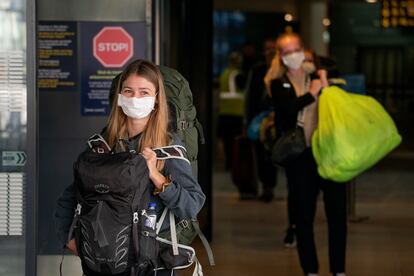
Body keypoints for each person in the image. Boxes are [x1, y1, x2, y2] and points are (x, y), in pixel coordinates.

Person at [54, 59, 206, 276]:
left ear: (156, 100)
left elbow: (192, 205)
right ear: (119, 97)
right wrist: (68, 239)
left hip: (152, 265)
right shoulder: (102, 146)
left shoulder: (168, 147)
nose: (135, 98)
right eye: (129, 91)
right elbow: (69, 198)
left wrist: (157, 176)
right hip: (102, 260)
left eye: (144, 92)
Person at [265, 33, 347, 276]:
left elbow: (338, 106)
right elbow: (285, 115)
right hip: (300, 157)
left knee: (337, 215)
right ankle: (310, 270)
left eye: (296, 49)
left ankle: (339, 271)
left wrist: (325, 83)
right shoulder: (279, 83)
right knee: (303, 216)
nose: (293, 55)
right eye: (287, 51)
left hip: (329, 153)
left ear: (305, 49)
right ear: (281, 56)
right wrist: (311, 93)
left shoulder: (321, 75)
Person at [244, 38, 278, 202]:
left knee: (271, 154)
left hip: (275, 119)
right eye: (268, 50)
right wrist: (248, 120)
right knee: (260, 153)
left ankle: (269, 186)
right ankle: (264, 186)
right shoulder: (258, 70)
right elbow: (250, 96)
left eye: (273, 50)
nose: (270, 54)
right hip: (259, 119)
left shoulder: (281, 71)